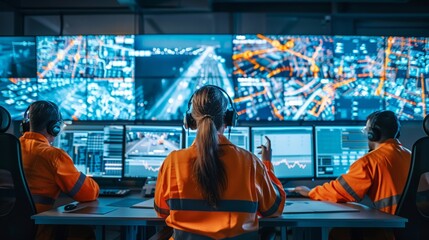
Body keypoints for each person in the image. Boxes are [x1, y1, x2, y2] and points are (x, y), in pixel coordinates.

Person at [154, 85, 286, 239]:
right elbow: (274, 209)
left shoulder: (173, 162)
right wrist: (267, 165)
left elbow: (161, 211)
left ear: (191, 120)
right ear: (229, 119)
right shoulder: (250, 162)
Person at [294, 110, 411, 240]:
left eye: (366, 131)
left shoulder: (370, 161)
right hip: (415, 228)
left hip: (392, 230)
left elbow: (340, 191)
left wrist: (310, 192)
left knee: (338, 233)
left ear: (373, 134)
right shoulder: (411, 155)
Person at [19, 100, 100, 240]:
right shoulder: (54, 156)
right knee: (82, 230)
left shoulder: (9, 149)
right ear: (54, 128)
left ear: (26, 125)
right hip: (39, 231)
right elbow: (88, 193)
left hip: (7, 228)